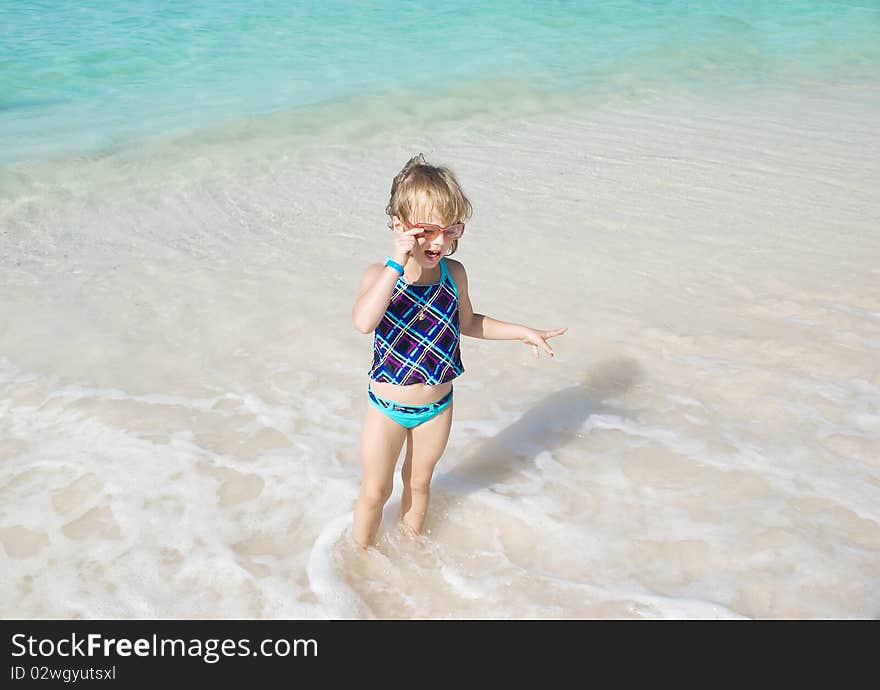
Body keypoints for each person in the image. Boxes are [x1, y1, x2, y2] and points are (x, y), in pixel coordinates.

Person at [351, 153, 567, 548]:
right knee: (374, 493)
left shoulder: (455, 274)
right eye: (426, 230)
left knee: (418, 485)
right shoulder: (379, 277)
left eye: (450, 230)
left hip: (437, 406)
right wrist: (396, 264)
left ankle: (409, 553)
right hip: (386, 409)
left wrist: (522, 332)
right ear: (399, 226)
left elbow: (467, 323)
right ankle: (359, 560)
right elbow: (364, 321)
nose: (439, 241)